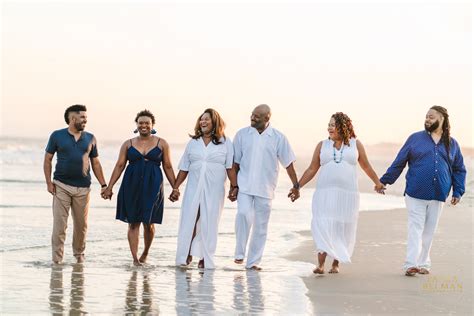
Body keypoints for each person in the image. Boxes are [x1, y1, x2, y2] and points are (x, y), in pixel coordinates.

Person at [289, 112, 385, 274]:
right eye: (329, 125)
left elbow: (366, 166)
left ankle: (335, 263)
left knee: (342, 226)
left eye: (332, 125)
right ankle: (320, 265)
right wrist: (297, 186)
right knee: (323, 224)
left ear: (343, 126)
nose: (329, 128)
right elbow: (312, 168)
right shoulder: (322, 145)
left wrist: (377, 183)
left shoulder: (355, 145)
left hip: (347, 195)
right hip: (324, 194)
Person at [380, 105, 466, 276]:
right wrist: (385, 181)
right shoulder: (415, 139)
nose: (427, 119)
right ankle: (411, 264)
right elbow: (400, 161)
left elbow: (459, 169)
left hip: (438, 194)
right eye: (426, 116)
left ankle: (424, 263)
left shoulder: (452, 144)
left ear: (442, 119)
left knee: (429, 231)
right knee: (415, 227)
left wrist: (458, 191)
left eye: (432, 117)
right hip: (415, 192)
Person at [102, 109, 176, 266]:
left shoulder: (161, 143)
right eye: (141, 123)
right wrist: (109, 187)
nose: (144, 125)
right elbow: (120, 165)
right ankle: (135, 259)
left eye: (147, 123)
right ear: (136, 125)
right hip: (131, 184)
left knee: (148, 222)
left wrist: (175, 188)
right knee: (133, 222)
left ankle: (145, 252)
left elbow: (168, 166)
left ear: (152, 125)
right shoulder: (128, 144)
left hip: (153, 185)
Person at [233, 104, 298, 270]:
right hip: (245, 185)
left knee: (261, 226)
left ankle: (253, 262)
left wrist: (296, 186)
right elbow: (235, 163)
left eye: (256, 116)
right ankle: (239, 253)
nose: (252, 118)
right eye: (252, 114)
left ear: (267, 118)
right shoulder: (242, 135)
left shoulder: (278, 138)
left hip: (266, 188)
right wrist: (233, 186)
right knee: (243, 214)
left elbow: (288, 163)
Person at [170, 108, 238, 269]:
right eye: (201, 119)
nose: (203, 122)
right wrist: (175, 187)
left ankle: (205, 257)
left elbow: (230, 167)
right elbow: (184, 167)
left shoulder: (225, 142)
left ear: (215, 121)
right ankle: (185, 253)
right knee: (190, 219)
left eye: (206, 119)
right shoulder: (193, 142)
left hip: (215, 189)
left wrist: (234, 187)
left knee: (209, 222)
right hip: (194, 187)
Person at [44, 104, 107, 264]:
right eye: (82, 117)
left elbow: (96, 163)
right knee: (60, 225)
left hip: (83, 188)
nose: (85, 120)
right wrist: (48, 183)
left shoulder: (90, 138)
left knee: (81, 225)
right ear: (72, 118)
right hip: (61, 186)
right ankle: (57, 260)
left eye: (85, 117)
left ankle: (79, 255)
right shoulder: (57, 136)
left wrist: (104, 185)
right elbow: (48, 159)